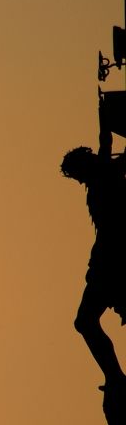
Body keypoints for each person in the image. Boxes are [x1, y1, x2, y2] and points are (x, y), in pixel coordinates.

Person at [61, 144, 126, 392]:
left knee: (85, 321)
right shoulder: (106, 175)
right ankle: (115, 376)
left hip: (111, 262)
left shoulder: (106, 177)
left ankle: (116, 376)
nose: (78, 181)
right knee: (85, 322)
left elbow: (106, 142)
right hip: (105, 260)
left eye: (77, 175)